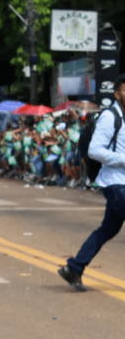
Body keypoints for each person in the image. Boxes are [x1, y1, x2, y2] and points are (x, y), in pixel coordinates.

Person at [59, 74, 125, 292]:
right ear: (117, 93)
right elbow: (95, 151)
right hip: (115, 182)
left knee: (108, 229)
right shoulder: (110, 117)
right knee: (108, 229)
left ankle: (75, 267)